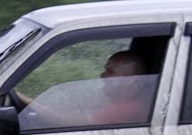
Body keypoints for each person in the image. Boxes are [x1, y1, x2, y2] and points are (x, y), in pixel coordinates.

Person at [17, 50, 154, 129]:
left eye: (110, 72)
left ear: (129, 80)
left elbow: (64, 122)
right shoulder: (138, 102)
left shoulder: (126, 109)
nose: (102, 76)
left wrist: (25, 100)